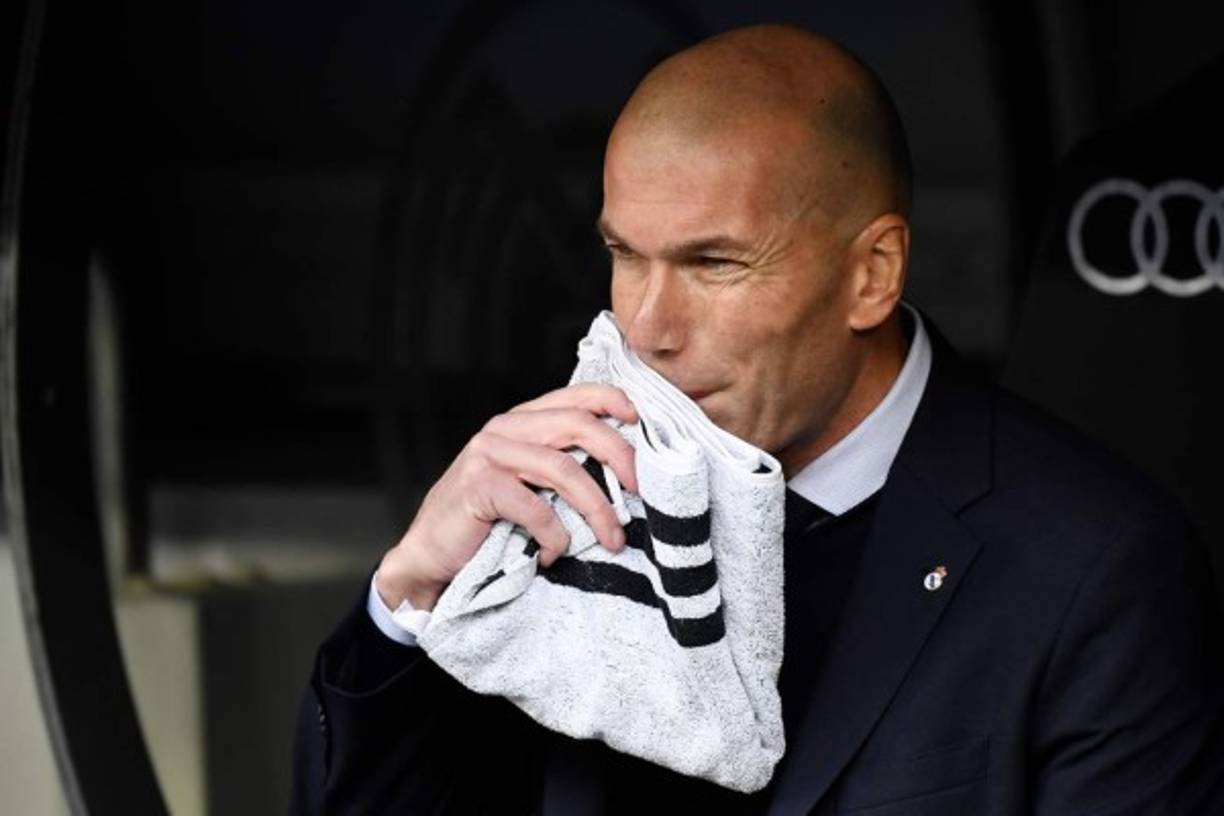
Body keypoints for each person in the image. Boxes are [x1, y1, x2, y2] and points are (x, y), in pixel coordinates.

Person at [292, 24, 1223, 814]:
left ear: (873, 274)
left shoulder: (1093, 568)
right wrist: (412, 593)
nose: (647, 327)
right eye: (625, 254)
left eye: (714, 265)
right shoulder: (557, 507)